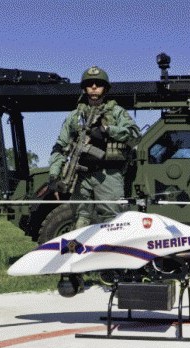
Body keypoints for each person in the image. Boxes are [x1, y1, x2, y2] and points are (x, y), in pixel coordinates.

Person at [48, 66, 141, 229]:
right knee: (80, 220)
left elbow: (134, 134)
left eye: (98, 84)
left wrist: (107, 130)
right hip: (81, 176)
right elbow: (60, 145)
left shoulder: (116, 112)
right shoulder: (75, 116)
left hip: (108, 175)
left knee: (112, 222)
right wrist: (54, 174)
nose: (93, 87)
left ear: (105, 88)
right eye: (89, 84)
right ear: (84, 88)